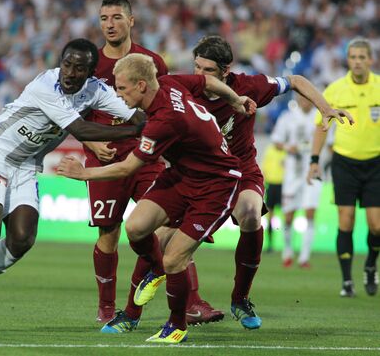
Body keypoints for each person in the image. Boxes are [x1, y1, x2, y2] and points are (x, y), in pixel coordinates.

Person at [0, 38, 147, 332]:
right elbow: (80, 128)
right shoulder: (46, 85)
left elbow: (132, 112)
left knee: (22, 239)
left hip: (25, 165)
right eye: (67, 64)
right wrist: (135, 129)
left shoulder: (96, 91)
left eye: (79, 68)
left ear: (91, 73)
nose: (70, 73)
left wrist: (149, 121)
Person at [138, 35, 353, 330]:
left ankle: (240, 298)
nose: (199, 75)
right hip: (194, 175)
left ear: (227, 71)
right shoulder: (183, 86)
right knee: (157, 235)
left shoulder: (248, 86)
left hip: (240, 171)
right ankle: (154, 291)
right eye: (196, 66)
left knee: (251, 215)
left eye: (208, 70)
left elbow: (296, 80)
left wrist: (325, 107)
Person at [58, 53, 257, 343]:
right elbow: (207, 81)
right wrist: (235, 99)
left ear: (141, 86)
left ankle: (177, 326)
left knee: (175, 258)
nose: (117, 94)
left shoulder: (164, 121)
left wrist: (83, 174)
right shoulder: (169, 82)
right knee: (136, 227)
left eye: (122, 88)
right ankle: (155, 267)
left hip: (216, 184)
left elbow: (128, 168)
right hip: (182, 175)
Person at [81, 0, 170, 324]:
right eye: (104, 18)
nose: (110, 24)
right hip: (104, 161)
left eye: (117, 17)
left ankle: (188, 301)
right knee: (108, 232)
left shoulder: (151, 62)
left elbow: (165, 108)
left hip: (145, 156)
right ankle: (106, 305)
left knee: (166, 225)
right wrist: (92, 145)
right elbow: (71, 114)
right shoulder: (89, 65)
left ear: (131, 21)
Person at [307, 37, 380, 298]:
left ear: (371, 60)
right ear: (347, 60)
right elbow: (322, 126)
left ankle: (371, 264)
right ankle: (347, 281)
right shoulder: (336, 90)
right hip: (344, 163)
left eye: (363, 57)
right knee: (345, 220)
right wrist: (314, 161)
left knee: (377, 226)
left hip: (376, 163)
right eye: (354, 57)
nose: (358, 61)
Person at [271, 95, 322, 268]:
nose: (305, 101)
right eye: (302, 97)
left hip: (312, 172)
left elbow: (328, 143)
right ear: (298, 99)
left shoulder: (320, 117)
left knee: (310, 213)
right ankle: (287, 252)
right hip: (292, 173)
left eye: (308, 97)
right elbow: (276, 141)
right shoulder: (288, 117)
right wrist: (287, 147)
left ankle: (304, 257)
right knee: (288, 216)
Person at [261, 142, 285, 253]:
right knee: (270, 215)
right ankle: (270, 245)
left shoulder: (286, 150)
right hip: (271, 185)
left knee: (287, 215)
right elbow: (264, 168)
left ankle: (286, 246)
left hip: (284, 185)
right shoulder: (270, 150)